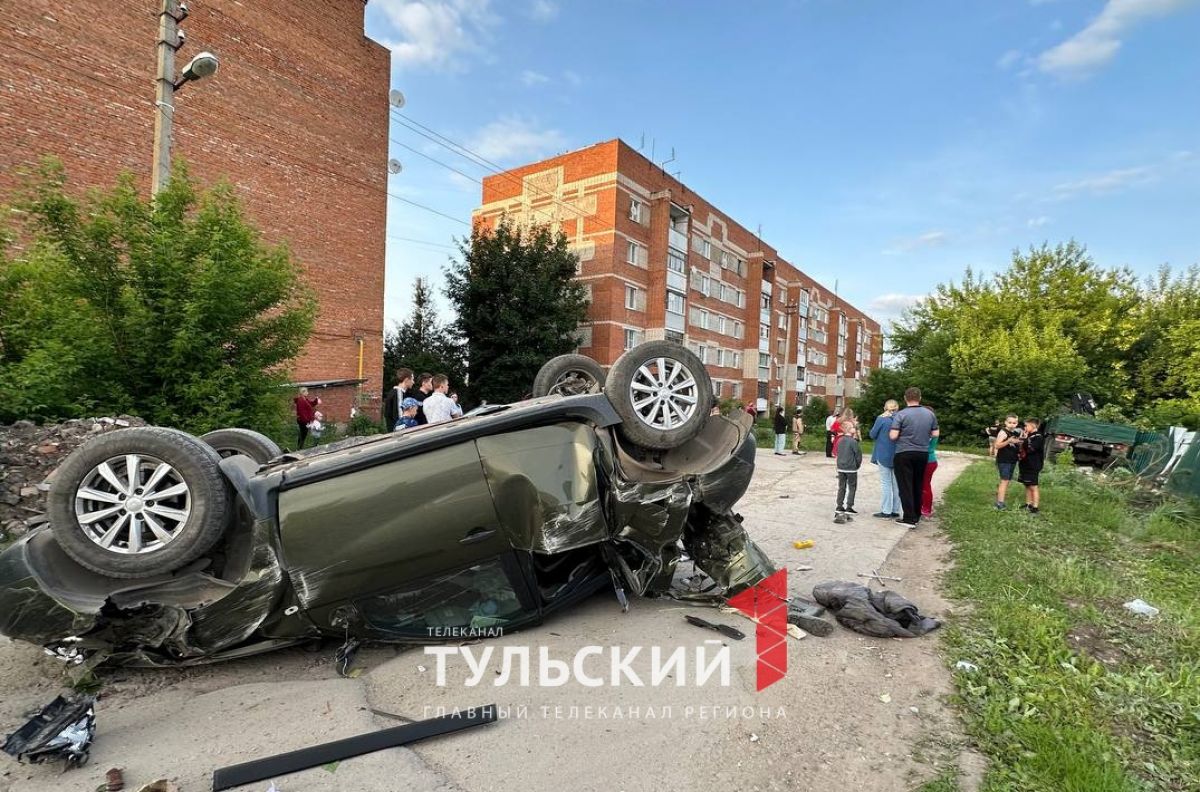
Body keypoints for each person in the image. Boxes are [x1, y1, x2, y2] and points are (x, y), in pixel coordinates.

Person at [888, 387, 939, 527]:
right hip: (922, 453)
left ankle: (909, 518)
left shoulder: (901, 414)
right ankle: (917, 514)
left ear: (905, 398)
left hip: (904, 452)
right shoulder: (930, 414)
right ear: (920, 398)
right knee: (917, 484)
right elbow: (935, 434)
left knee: (905, 485)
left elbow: (893, 436)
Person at [869, 399, 900, 518]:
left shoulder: (881, 419)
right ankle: (896, 510)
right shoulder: (901, 418)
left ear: (885, 408)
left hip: (883, 454)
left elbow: (872, 434)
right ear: (897, 408)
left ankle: (886, 510)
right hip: (898, 454)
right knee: (896, 484)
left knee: (886, 483)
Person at [994, 414, 1022, 510]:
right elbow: (997, 446)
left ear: (1017, 423)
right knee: (1004, 481)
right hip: (1004, 460)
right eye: (1010, 422)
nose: (1012, 424)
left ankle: (1000, 500)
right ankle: (1000, 503)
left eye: (1014, 423)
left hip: (1012, 460)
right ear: (1005, 422)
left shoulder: (1013, 433)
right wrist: (1008, 441)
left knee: (1006, 481)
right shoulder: (1003, 433)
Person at [1018, 417, 1045, 514]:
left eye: (1026, 425)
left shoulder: (1038, 437)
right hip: (1025, 464)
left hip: (1033, 464)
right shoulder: (1029, 435)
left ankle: (1035, 507)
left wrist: (1025, 440)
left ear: (1033, 426)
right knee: (1027, 484)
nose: (1024, 427)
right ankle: (1028, 504)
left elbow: (1031, 449)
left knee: (1033, 486)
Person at [835, 419, 862, 516]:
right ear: (849, 430)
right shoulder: (853, 442)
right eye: (853, 427)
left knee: (841, 487)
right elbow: (858, 455)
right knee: (852, 487)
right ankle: (849, 506)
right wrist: (857, 465)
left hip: (841, 467)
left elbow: (837, 452)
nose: (855, 428)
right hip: (851, 468)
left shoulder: (840, 440)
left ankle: (839, 506)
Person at [921, 434, 939, 518]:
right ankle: (924, 506)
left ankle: (926, 509)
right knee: (925, 485)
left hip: (926, 461)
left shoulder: (929, 432)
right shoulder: (934, 429)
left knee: (925, 486)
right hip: (931, 460)